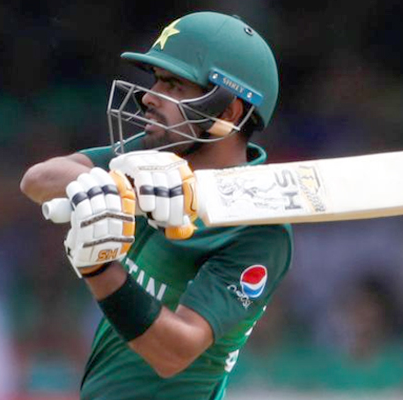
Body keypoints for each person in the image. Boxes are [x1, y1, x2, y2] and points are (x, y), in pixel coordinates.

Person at [20, 12, 292, 400]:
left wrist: (99, 268)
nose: (148, 96)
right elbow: (37, 180)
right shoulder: (154, 156)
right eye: (156, 81)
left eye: (174, 85)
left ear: (228, 113)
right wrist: (119, 185)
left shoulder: (259, 229)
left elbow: (174, 352)